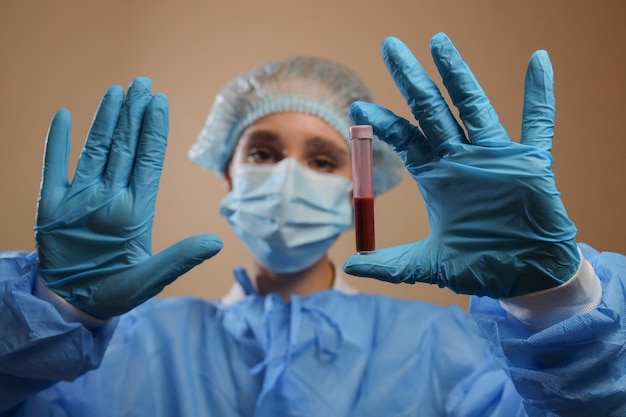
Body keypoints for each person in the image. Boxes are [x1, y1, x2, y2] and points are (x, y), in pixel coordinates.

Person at [1, 32, 624, 417]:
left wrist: (555, 300)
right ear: (228, 175)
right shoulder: (125, 348)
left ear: (360, 187)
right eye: (264, 153)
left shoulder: (445, 351)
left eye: (323, 159)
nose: (289, 176)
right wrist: (53, 313)